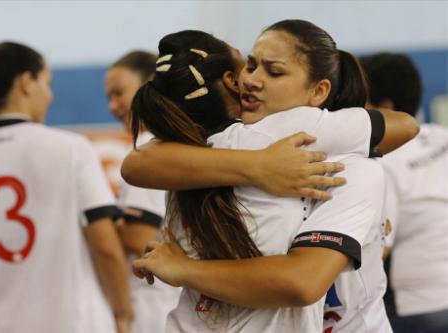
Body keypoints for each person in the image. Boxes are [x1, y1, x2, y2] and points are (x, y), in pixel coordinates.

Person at [126, 22, 418, 332]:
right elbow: (405, 125)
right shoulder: (194, 151)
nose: (251, 80)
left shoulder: (345, 162)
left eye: (274, 72)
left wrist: (184, 269)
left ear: (318, 91)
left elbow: (301, 281)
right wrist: (259, 165)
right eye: (250, 65)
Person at [0, 42, 132, 332]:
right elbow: (105, 246)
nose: (50, 95)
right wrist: (123, 312)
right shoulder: (71, 148)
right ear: (25, 82)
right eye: (47, 83)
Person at [361, 52, 448, 333]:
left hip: (420, 307)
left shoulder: (384, 161)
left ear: (385, 108)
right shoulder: (443, 135)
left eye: (362, 104)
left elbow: (380, 246)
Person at [105, 50, 180, 333]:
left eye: (119, 93)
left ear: (150, 85)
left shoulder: (146, 151)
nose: (113, 106)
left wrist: (100, 224)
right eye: (108, 98)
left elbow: (141, 238)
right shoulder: (173, 144)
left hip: (152, 305)